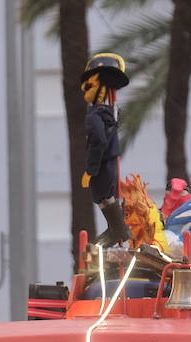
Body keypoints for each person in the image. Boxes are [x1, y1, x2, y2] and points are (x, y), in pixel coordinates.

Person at [80, 52, 131, 246]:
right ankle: (116, 229)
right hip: (109, 164)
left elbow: (98, 141)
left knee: (104, 196)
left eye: (89, 86)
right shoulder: (109, 114)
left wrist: (90, 170)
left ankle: (118, 230)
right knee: (104, 197)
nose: (86, 91)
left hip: (102, 165)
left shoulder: (94, 116)